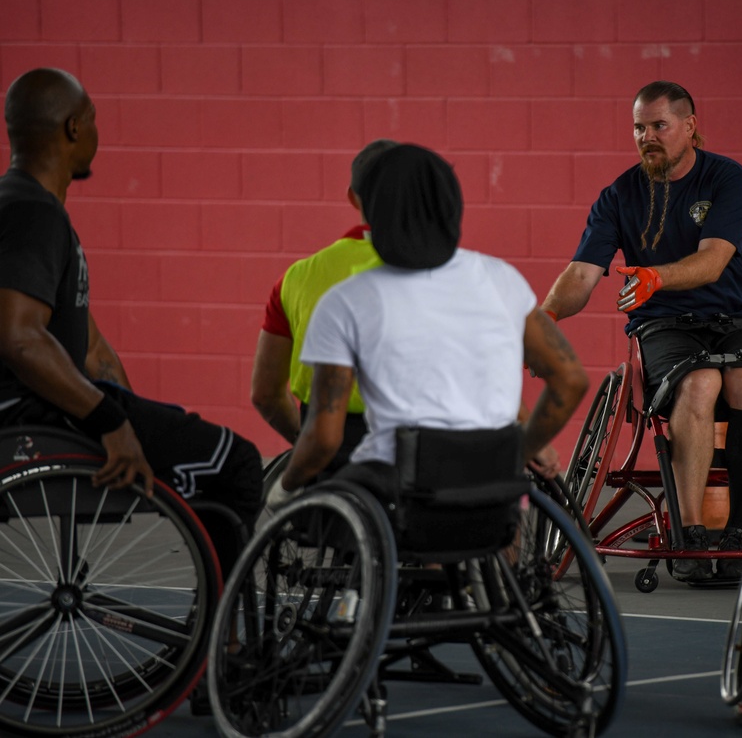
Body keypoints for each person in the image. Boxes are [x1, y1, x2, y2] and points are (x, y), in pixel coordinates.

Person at [0, 67, 262, 576]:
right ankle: (220, 623)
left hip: (47, 407)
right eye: (94, 119)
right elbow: (20, 339)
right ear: (74, 127)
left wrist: (137, 425)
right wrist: (113, 422)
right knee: (237, 465)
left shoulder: (26, 207)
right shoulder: (33, 213)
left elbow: (91, 350)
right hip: (33, 415)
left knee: (184, 443)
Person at [269, 143, 589, 508]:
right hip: (489, 483)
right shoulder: (501, 278)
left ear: (369, 208)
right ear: (452, 205)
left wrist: (286, 487)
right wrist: (519, 452)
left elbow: (324, 439)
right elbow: (571, 379)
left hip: (395, 488)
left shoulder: (345, 299)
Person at [540, 80, 742, 582]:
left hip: (735, 317)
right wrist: (545, 319)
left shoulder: (728, 179)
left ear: (690, 127)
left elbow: (713, 261)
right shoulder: (619, 195)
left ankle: (738, 531)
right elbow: (582, 274)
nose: (647, 137)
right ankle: (690, 534)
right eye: (638, 128)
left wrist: (655, 276)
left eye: (659, 126)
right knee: (701, 382)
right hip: (663, 324)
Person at [251, 139, 396, 481]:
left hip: (329, 461)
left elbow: (265, 394)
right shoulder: (444, 275)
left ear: (353, 198)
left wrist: (306, 443)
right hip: (423, 455)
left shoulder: (297, 277)